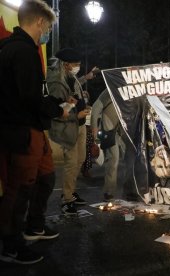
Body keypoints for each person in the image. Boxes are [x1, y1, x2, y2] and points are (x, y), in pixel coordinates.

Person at [0, 0, 68, 264]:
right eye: (48, 26)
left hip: (32, 130)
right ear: (40, 21)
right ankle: (11, 245)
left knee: (46, 177)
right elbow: (31, 97)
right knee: (19, 190)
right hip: (22, 132)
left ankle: (34, 226)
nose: (47, 31)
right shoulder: (22, 51)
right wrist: (57, 109)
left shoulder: (18, 49)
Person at [47, 48, 96, 215]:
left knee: (80, 160)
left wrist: (81, 104)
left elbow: (70, 98)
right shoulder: (57, 83)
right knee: (71, 163)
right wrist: (77, 114)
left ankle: (71, 192)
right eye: (76, 65)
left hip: (80, 124)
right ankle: (66, 200)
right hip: (70, 127)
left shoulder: (70, 76)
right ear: (66, 65)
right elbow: (57, 112)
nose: (78, 67)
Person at [91, 89, 124, 201]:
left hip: (122, 131)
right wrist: (94, 129)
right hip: (108, 131)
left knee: (128, 158)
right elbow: (95, 109)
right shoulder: (109, 90)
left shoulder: (130, 89)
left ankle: (131, 190)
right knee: (113, 158)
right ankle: (109, 191)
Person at [81, 91, 94, 178]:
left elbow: (93, 120)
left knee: (88, 152)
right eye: (84, 96)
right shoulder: (79, 109)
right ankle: (81, 168)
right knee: (81, 151)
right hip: (81, 130)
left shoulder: (90, 108)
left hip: (89, 132)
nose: (85, 98)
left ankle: (86, 170)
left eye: (86, 96)